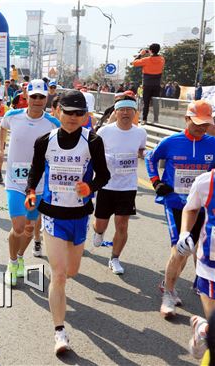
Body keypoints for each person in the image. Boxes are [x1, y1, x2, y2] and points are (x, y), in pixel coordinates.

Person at [25, 90, 110, 354]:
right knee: (59, 274)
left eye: (78, 113)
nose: (73, 118)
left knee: (72, 271)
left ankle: (59, 283)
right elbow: (36, 170)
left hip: (79, 215)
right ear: (56, 111)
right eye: (68, 112)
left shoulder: (93, 141)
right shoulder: (45, 141)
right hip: (52, 213)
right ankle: (59, 332)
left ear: (85, 116)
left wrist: (91, 187)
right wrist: (30, 192)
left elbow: (104, 175)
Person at [145, 100, 215, 318]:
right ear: (186, 119)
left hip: (201, 206)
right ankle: (168, 293)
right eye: (196, 123)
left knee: (191, 249)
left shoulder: (212, 143)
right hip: (175, 203)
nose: (201, 128)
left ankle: (175, 282)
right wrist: (156, 181)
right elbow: (150, 157)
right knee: (180, 248)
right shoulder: (171, 142)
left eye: (205, 124)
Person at [0, 80, 60, 285]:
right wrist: (0, 149)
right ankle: (11, 261)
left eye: (42, 97)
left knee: (30, 228)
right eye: (34, 97)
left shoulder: (52, 123)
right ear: (27, 96)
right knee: (18, 226)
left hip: (38, 183)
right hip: (15, 180)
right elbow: (1, 129)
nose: (38, 101)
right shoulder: (13, 116)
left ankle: (21, 257)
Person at [92, 98, 147, 274]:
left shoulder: (140, 133)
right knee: (100, 223)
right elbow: (94, 153)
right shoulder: (105, 131)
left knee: (122, 224)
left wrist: (145, 154)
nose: (125, 113)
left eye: (128, 110)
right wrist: (108, 158)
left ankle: (115, 258)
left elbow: (140, 150)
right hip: (107, 184)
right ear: (115, 112)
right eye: (121, 110)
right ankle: (99, 233)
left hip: (128, 186)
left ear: (134, 113)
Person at [174, 168, 215, 360]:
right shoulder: (206, 181)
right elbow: (191, 208)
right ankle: (207, 330)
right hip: (211, 268)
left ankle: (203, 329)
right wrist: (184, 233)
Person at [132, 43, 165, 123]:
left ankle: (144, 119)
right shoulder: (162, 59)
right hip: (157, 84)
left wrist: (140, 54)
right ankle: (156, 119)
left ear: (150, 50)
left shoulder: (146, 60)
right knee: (156, 103)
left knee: (146, 102)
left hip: (147, 84)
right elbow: (155, 55)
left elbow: (134, 63)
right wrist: (149, 51)